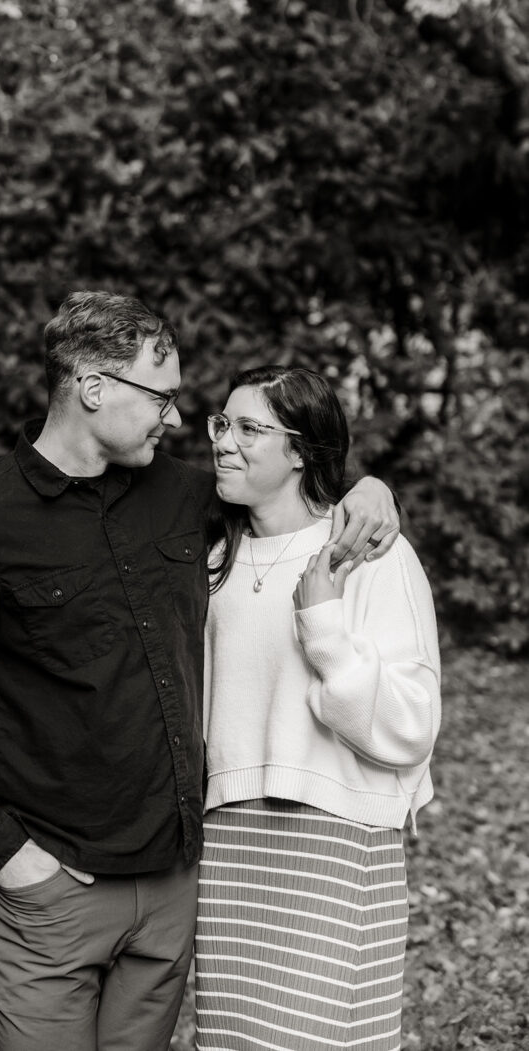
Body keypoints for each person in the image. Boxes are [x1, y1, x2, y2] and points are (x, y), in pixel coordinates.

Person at [0, 293, 400, 1051]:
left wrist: (367, 489)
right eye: (162, 396)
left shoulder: (183, 496)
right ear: (92, 388)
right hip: (46, 898)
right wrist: (6, 857)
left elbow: (291, 494)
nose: (175, 420)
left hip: (171, 894)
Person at [196, 365, 441, 1051]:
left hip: (333, 839)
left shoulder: (370, 554)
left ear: (301, 450)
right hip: (230, 844)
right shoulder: (214, 557)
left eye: (249, 428)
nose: (223, 441)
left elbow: (411, 726)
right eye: (221, 423)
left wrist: (325, 625)